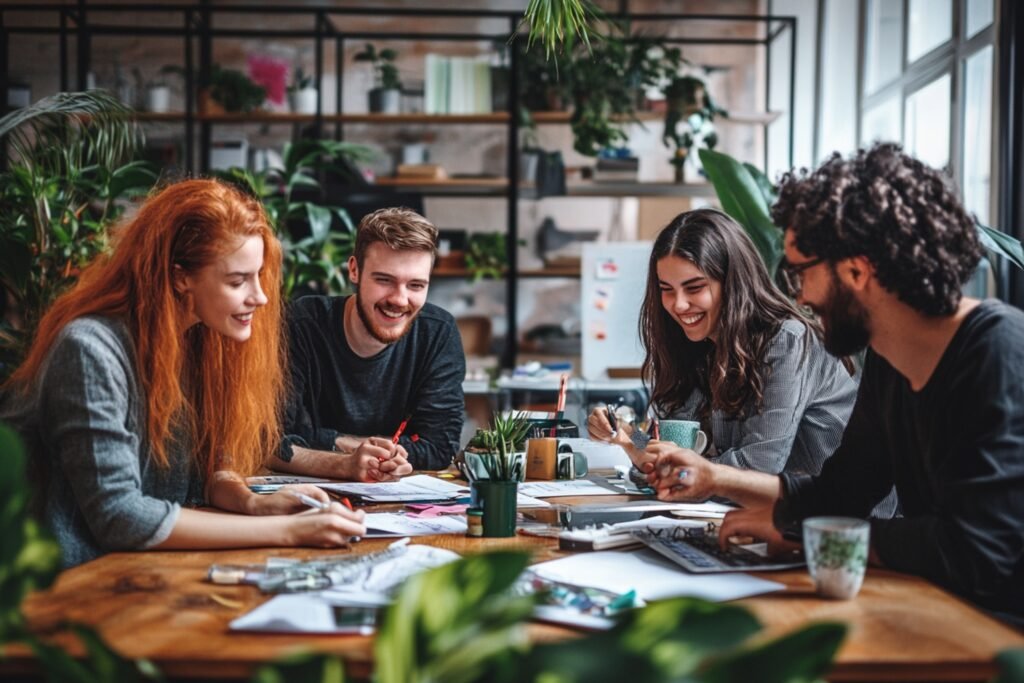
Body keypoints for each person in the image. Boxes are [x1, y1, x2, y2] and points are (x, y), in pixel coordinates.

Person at [651, 143, 1024, 627]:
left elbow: (976, 552)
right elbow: (841, 494)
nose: (798, 294)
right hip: (936, 606)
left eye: (799, 273)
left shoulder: (999, 353)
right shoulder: (891, 360)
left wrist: (810, 536)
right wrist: (726, 484)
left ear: (856, 269)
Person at [0, 179, 366, 568]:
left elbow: (208, 468)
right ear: (180, 278)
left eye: (258, 276)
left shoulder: (199, 341)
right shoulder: (90, 350)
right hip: (58, 588)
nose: (259, 297)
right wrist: (290, 531)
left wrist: (253, 503)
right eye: (237, 280)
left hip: (140, 572)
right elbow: (120, 516)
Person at [587, 208, 870, 506]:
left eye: (694, 287)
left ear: (733, 282)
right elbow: (672, 448)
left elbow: (759, 465)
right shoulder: (697, 347)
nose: (679, 305)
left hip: (845, 527)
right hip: (762, 519)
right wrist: (629, 437)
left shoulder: (788, 341)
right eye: (666, 290)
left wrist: (688, 469)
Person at [274, 207, 465, 480]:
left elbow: (439, 446)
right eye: (384, 280)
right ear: (354, 270)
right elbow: (269, 439)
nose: (399, 299)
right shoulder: (302, 326)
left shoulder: (437, 334)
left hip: (397, 503)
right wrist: (348, 452)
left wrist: (370, 453)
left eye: (416, 285)